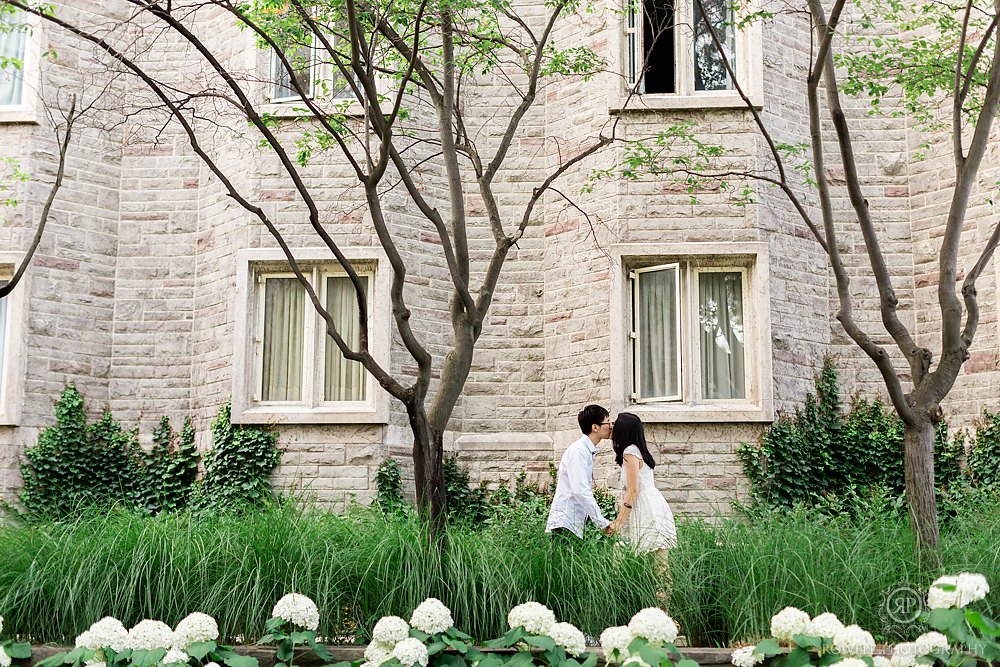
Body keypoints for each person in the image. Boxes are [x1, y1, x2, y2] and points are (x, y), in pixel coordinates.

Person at [607, 412, 677, 552]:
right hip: (653, 504)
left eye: (615, 423)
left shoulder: (630, 452)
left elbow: (633, 490)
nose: (611, 426)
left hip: (646, 508)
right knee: (658, 566)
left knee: (659, 567)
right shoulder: (637, 450)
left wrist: (619, 522)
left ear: (624, 429)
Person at [545, 404, 615, 538]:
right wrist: (602, 522)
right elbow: (580, 490)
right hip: (566, 522)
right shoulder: (579, 451)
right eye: (607, 422)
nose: (610, 426)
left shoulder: (586, 450)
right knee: (564, 559)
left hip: (573, 522)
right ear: (595, 427)